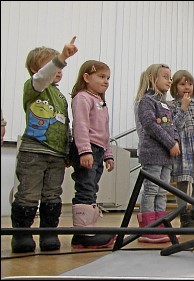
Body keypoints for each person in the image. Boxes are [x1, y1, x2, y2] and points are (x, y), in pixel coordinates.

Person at [10, 37, 77, 253]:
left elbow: (64, 123)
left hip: (56, 155)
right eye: (53, 63)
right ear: (35, 69)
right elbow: (42, 77)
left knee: (52, 194)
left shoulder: (59, 96)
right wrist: (62, 57)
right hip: (34, 153)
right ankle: (21, 235)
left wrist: (67, 151)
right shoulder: (34, 87)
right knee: (28, 194)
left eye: (59, 64)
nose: (59, 68)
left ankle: (48, 232)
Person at [69, 59, 116, 249]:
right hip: (87, 149)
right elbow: (80, 126)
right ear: (86, 77)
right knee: (86, 188)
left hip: (98, 149)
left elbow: (104, 132)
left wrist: (108, 154)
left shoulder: (100, 102)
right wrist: (85, 150)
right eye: (101, 77)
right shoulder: (82, 97)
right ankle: (82, 235)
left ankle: (89, 228)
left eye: (108, 78)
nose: (106, 81)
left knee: (92, 189)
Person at [134, 64, 180, 243]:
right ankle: (148, 227)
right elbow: (151, 125)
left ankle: (160, 223)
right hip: (152, 154)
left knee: (162, 191)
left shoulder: (165, 104)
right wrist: (170, 143)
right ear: (153, 78)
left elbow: (172, 126)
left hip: (166, 156)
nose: (169, 80)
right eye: (165, 76)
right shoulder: (147, 101)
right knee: (151, 190)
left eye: (170, 77)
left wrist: (175, 141)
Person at [170, 70, 194, 228]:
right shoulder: (171, 105)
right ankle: (183, 215)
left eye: (190, 83)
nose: (187, 87)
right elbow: (174, 126)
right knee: (182, 183)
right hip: (183, 150)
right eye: (182, 84)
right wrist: (183, 107)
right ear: (175, 87)